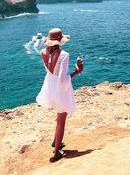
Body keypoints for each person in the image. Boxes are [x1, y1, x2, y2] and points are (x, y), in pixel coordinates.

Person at [36, 28, 83, 161]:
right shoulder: (64, 55)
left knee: (59, 117)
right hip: (60, 89)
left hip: (49, 86)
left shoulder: (42, 52)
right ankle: (56, 152)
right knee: (61, 120)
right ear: (60, 40)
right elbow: (63, 80)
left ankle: (55, 141)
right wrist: (77, 71)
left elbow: (51, 72)